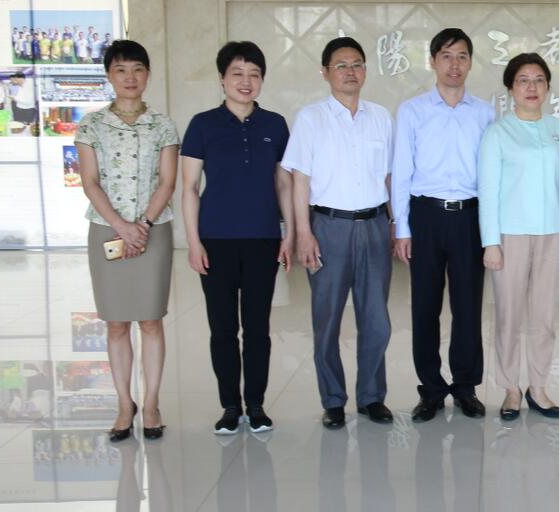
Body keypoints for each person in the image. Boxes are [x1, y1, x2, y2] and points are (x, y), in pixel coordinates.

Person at [281, 37, 394, 430]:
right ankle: (333, 400)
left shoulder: (381, 117)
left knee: (376, 319)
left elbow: (389, 177)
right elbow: (299, 180)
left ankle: (372, 397)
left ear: (366, 71)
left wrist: (396, 225)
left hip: (374, 225)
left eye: (357, 64)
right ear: (325, 72)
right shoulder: (310, 118)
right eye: (341, 65)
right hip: (328, 227)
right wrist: (303, 232)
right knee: (327, 319)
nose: (350, 72)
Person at [181, 41, 293, 435]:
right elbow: (189, 187)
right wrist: (193, 242)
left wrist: (289, 233)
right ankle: (230, 406)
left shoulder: (275, 125)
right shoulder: (202, 124)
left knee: (258, 328)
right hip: (215, 241)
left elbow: (283, 183)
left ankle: (256, 405)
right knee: (223, 329)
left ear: (262, 79)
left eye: (254, 74)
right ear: (222, 78)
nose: (246, 82)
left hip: (263, 239)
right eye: (237, 74)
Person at [74, 40, 179, 441]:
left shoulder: (163, 125)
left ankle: (150, 403)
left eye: (137, 69)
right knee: (116, 323)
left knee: (151, 320)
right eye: (121, 70)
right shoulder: (91, 125)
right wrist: (122, 226)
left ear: (148, 74)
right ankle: (123, 403)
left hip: (154, 229)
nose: (130, 77)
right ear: (109, 76)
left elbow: (167, 182)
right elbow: (90, 182)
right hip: (107, 231)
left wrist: (143, 225)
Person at [391, 28, 494, 423]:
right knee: (425, 308)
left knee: (468, 307)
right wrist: (402, 229)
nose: (455, 64)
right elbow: (401, 171)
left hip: (469, 217)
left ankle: (465, 387)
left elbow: (491, 176)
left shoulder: (484, 113)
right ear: (433, 61)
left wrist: (492, 231)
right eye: (447, 56)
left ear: (470, 63)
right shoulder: (412, 110)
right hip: (426, 216)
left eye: (462, 56)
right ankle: (431, 390)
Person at [478, 52, 559, 420]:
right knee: (508, 316)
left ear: (548, 87)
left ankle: (538, 386)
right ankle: (510, 388)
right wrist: (491, 242)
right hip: (511, 236)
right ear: (510, 88)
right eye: (523, 80)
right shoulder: (497, 133)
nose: (531, 87)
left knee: (543, 317)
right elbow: (488, 190)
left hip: (552, 233)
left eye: (539, 80)